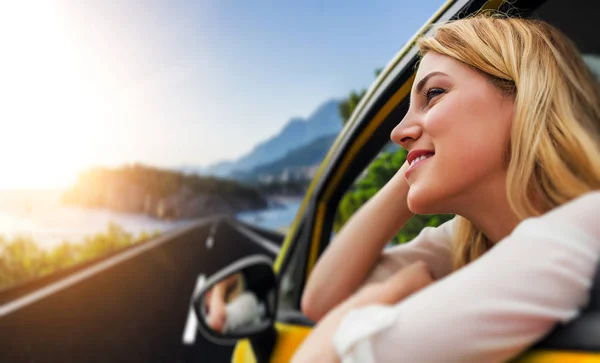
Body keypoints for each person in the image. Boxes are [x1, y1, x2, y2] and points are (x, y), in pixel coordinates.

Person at [294, 14, 600, 363]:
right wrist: (420, 157)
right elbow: (322, 301)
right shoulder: (472, 238)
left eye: (434, 94)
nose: (398, 132)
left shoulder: (584, 224)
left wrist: (389, 294)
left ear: (525, 96)